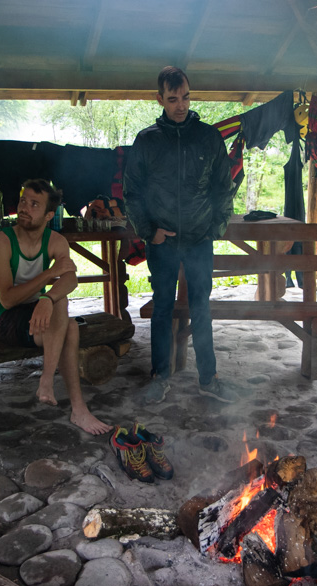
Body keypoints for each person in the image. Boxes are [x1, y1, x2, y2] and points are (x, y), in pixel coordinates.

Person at [124, 66, 238, 405]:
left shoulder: (208, 137)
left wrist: (216, 228)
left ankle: (209, 378)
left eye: (185, 97)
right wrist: (148, 232)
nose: (181, 105)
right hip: (163, 242)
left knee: (202, 308)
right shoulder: (147, 141)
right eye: (172, 99)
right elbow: (132, 192)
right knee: (163, 309)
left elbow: (224, 187)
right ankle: (160, 377)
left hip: (200, 239)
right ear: (159, 99)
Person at [0, 179, 112, 435]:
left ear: (48, 215)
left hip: (37, 309)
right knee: (69, 328)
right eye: (23, 201)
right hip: (6, 318)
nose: (24, 208)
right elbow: (8, 299)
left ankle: (58, 391)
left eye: (34, 204)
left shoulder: (55, 240)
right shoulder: (1, 242)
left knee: (63, 310)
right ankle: (73, 404)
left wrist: (47, 299)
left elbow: (71, 278)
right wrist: (49, 275)